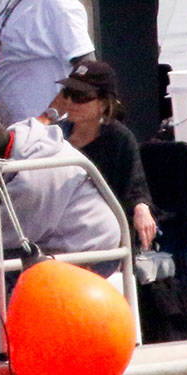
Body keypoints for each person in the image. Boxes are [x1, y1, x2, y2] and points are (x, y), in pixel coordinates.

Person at [0, 113, 120, 267]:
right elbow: (12, 205)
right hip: (80, 238)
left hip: (91, 252)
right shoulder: (27, 139)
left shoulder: (31, 180)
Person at [55, 61, 158, 249]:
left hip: (103, 237)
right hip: (57, 230)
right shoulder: (56, 135)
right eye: (67, 93)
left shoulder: (120, 139)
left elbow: (135, 187)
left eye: (80, 96)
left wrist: (142, 208)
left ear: (103, 104)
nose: (70, 102)